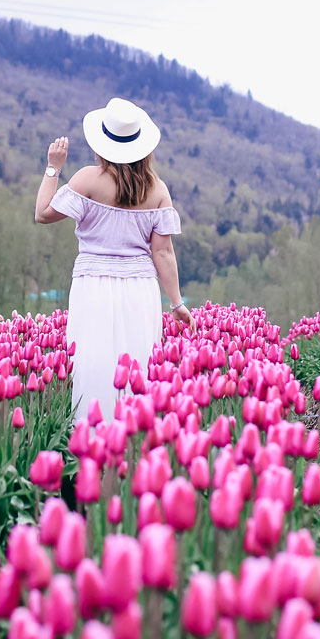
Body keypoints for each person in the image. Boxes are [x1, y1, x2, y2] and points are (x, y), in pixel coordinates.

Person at [34, 96, 193, 422]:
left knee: (93, 367)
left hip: (93, 288)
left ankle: (91, 446)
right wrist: (176, 303)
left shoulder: (87, 179)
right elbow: (162, 252)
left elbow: (42, 214)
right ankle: (133, 448)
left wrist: (53, 167)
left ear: (103, 143)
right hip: (140, 290)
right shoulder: (158, 189)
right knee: (138, 367)